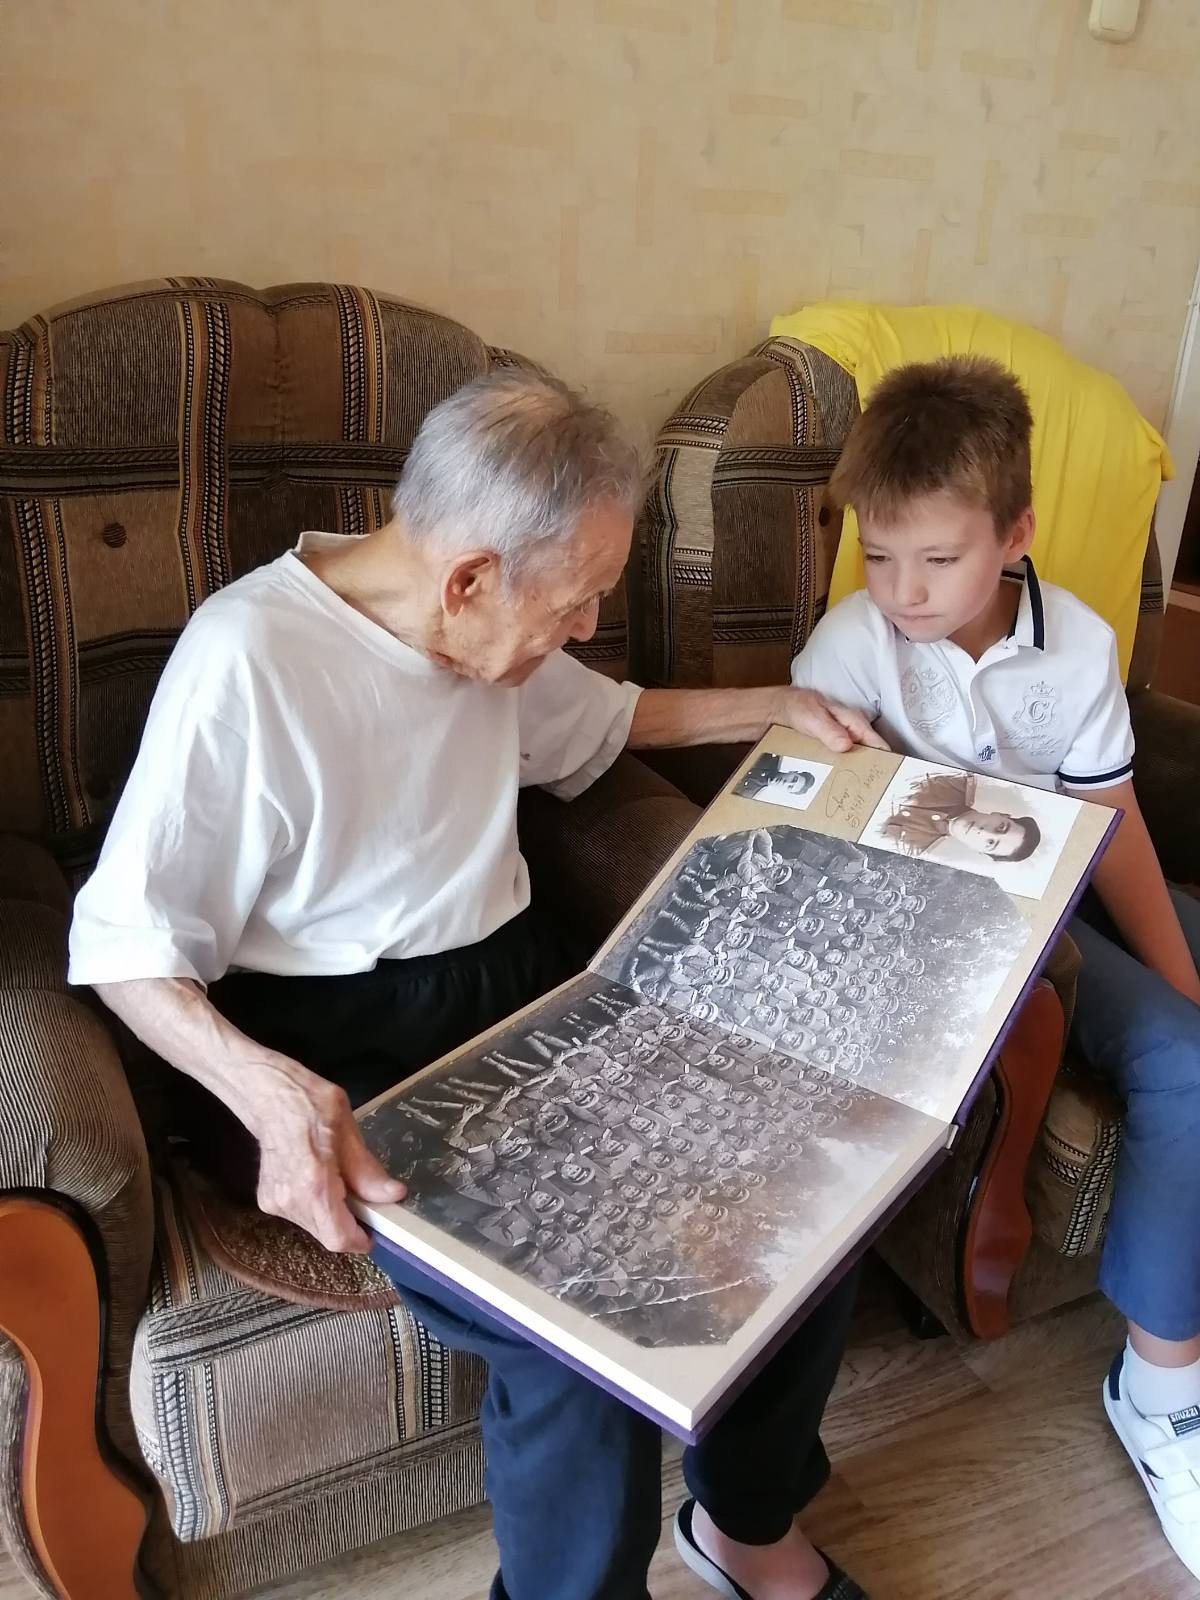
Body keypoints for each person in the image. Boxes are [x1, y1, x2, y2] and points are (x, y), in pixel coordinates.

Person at [68, 371, 880, 1600]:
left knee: (801, 1187)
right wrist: (265, 1089)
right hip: (342, 1039)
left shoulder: (486, 624)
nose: (587, 628)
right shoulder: (249, 662)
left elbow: (602, 722)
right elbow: (124, 940)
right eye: (573, 606)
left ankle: (745, 1523)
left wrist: (782, 705)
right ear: (467, 579)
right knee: (574, 1342)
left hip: (520, 991)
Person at [790, 353, 1200, 1582]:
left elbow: (1111, 822)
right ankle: (1167, 1390)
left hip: (1074, 884)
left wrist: (1177, 969)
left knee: (1182, 1000)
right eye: (879, 555)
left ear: (1015, 534)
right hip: (972, 935)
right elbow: (812, 830)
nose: (904, 592)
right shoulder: (854, 646)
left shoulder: (1074, 643)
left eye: (940, 559)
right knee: (1182, 1063)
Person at [880, 768, 1041, 862]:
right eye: (1001, 827)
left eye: (990, 843)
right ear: (1000, 814)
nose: (983, 831)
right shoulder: (954, 779)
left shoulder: (912, 849)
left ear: (979, 851)